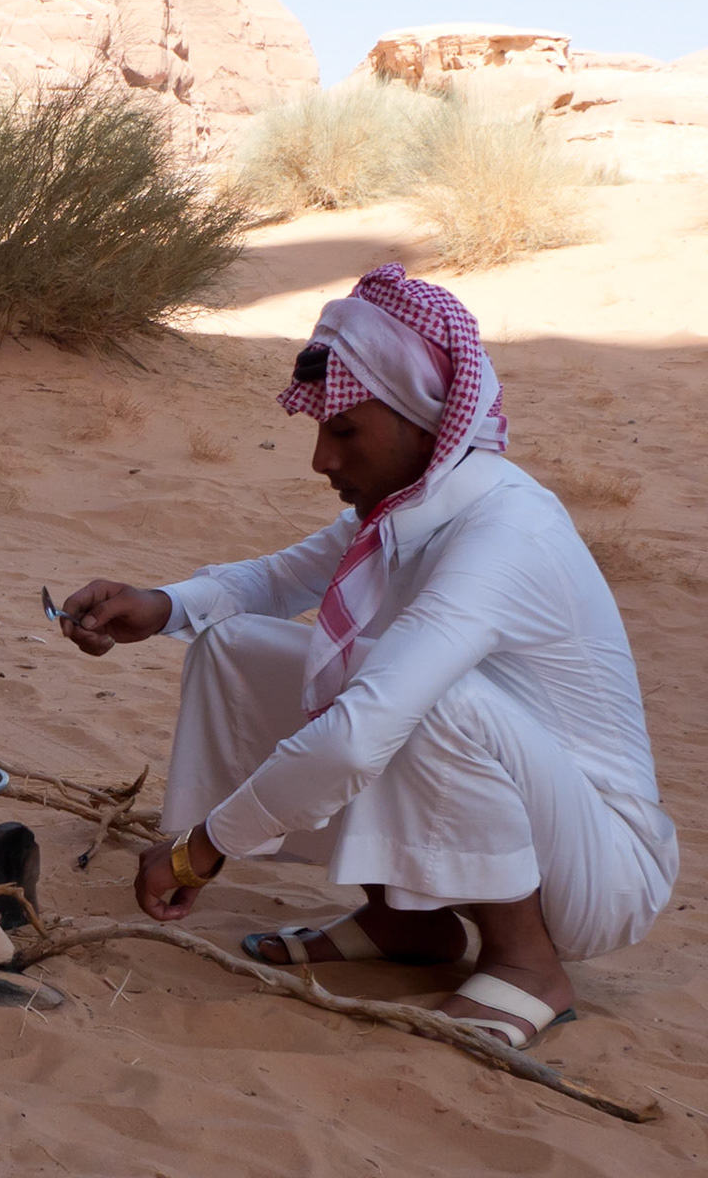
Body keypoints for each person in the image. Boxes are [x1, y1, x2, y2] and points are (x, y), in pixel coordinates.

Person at [54, 264, 676, 1049]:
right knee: (237, 646)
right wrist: (162, 606)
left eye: (344, 431)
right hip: (538, 813)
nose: (321, 459)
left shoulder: (504, 530)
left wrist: (202, 848)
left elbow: (357, 736)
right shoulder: (414, 505)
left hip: (597, 867)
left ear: (424, 421)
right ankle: (405, 922)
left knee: (411, 695)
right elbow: (278, 580)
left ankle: (526, 964)